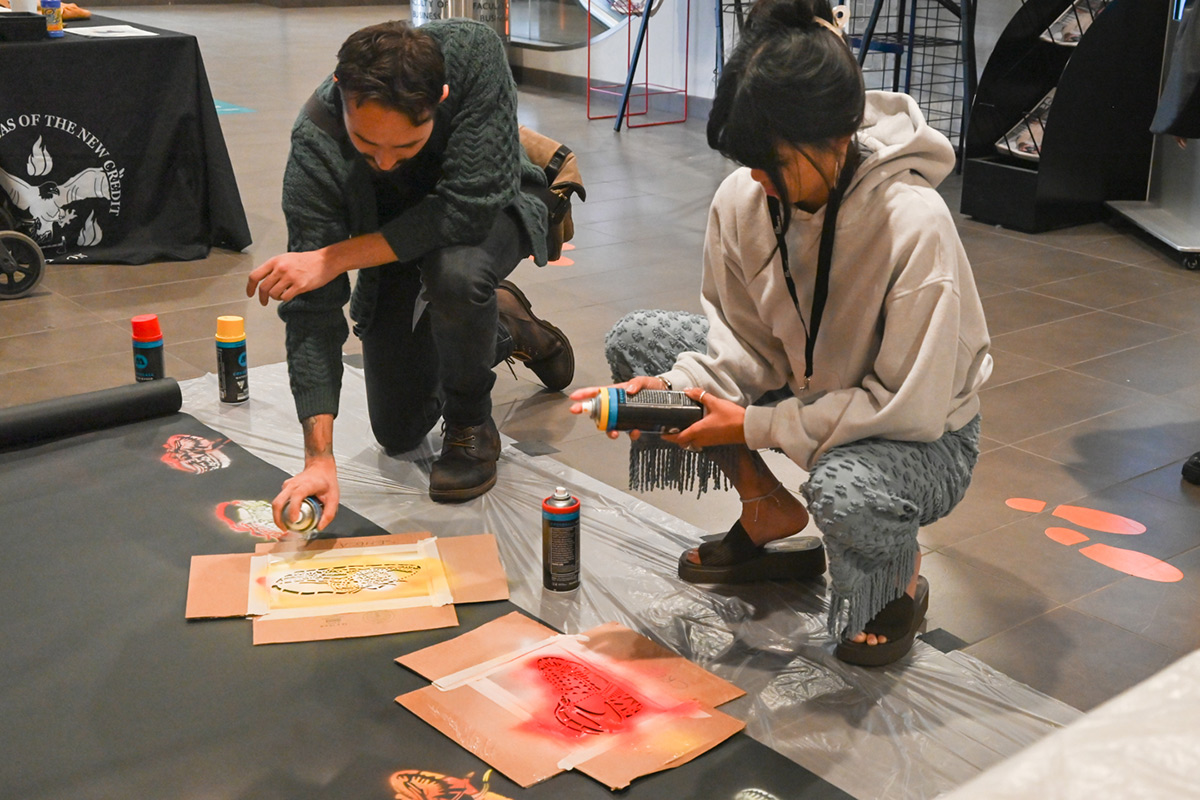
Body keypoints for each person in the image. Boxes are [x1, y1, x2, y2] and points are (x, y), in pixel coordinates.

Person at [571, 0, 991, 667]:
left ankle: (898, 573)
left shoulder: (915, 223)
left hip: (920, 434)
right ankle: (766, 509)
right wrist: (675, 389)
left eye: (772, 163)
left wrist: (754, 426)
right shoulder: (747, 197)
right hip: (807, 386)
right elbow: (742, 344)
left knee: (844, 489)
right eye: (749, 162)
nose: (756, 179)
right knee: (639, 343)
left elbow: (905, 407)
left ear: (835, 138)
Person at [246, 19, 574, 525]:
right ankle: (502, 324)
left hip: (490, 210)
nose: (382, 162)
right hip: (391, 247)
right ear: (342, 93)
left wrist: (334, 257)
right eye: (366, 143)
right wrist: (319, 460)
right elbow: (311, 306)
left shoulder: (473, 54)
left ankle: (471, 425)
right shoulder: (316, 143)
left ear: (439, 100)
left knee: (456, 274)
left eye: (404, 147)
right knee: (399, 431)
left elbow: (468, 208)